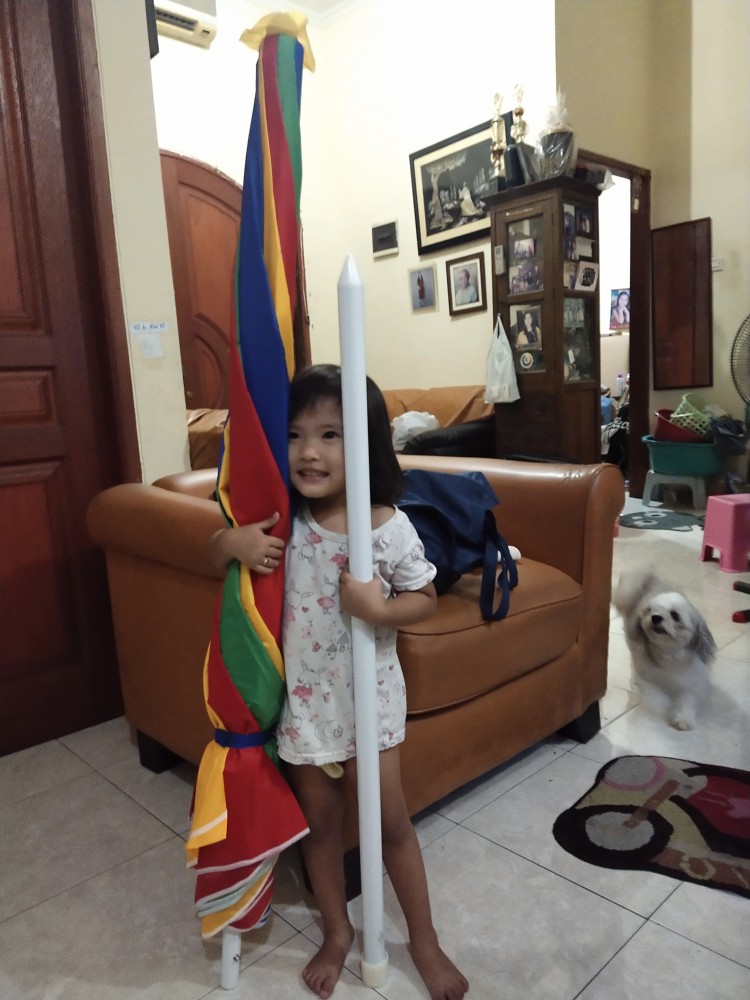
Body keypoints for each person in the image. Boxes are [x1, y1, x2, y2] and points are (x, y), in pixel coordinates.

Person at [212, 365, 469, 1000]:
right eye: (297, 435)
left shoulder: (384, 525)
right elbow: (210, 550)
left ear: (365, 445)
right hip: (303, 708)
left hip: (369, 702)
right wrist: (232, 541)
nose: (309, 452)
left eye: (330, 435)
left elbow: (425, 597)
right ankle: (336, 931)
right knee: (321, 829)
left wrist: (380, 610)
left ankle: (426, 941)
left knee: (391, 827)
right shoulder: (278, 520)